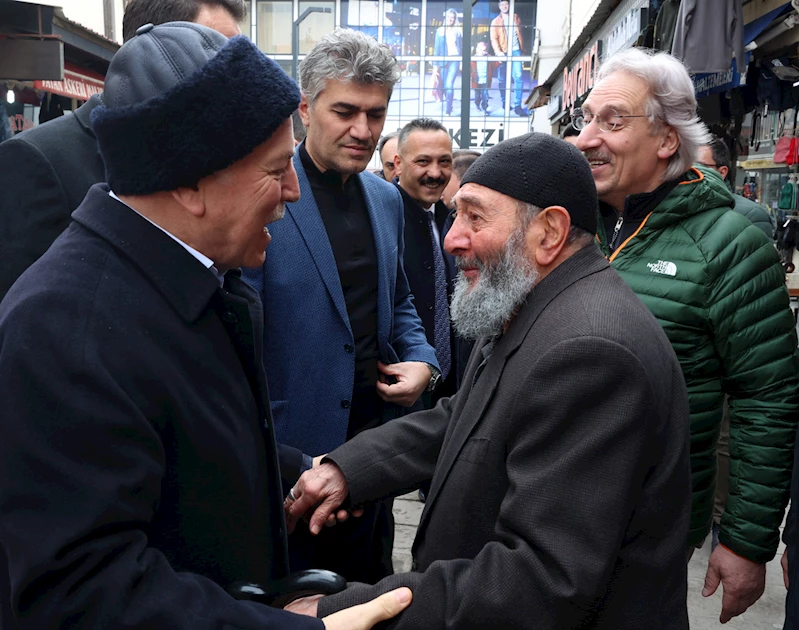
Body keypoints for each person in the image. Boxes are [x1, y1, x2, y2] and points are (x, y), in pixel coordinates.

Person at [0, 22, 412, 630]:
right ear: (190, 183)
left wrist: (305, 468)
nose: (294, 191)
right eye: (276, 171)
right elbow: (84, 593)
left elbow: (194, 438)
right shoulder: (64, 329)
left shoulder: (191, 277)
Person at [285, 132, 692, 629]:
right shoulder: (527, 299)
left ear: (549, 232)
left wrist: (347, 609)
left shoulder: (590, 352)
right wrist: (348, 470)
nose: (452, 238)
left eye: (474, 217)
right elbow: (465, 419)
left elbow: (540, 579)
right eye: (456, 215)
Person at [574, 47, 799, 624]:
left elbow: (766, 397)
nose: (586, 138)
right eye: (587, 119)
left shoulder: (730, 246)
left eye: (612, 121)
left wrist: (748, 541)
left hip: (649, 530)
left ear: (668, 140)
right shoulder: (567, 223)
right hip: (546, 507)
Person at [241, 29, 438, 585]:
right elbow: (239, 336)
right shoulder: (268, 190)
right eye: (346, 111)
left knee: (370, 595)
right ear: (305, 109)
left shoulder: (385, 199)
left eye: (376, 115)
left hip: (373, 460)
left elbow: (398, 301)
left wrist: (424, 361)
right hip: (287, 467)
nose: (364, 131)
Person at [0, 0, 247, 303]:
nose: (238, 75)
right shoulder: (35, 159)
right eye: (214, 52)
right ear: (154, 45)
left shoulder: (206, 153)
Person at [393, 118, 458, 403]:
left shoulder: (453, 220)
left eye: (444, 161)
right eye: (423, 161)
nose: (435, 172)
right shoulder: (380, 220)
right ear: (398, 164)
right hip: (401, 384)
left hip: (450, 387)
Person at [698, 135, 774, 238]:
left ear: (722, 172)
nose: (691, 171)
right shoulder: (676, 207)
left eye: (699, 166)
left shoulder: (752, 215)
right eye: (685, 165)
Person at [490, 0, 526, 116]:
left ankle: (517, 105)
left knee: (518, 77)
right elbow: (494, 39)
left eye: (506, 4)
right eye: (502, 5)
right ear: (499, 6)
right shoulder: (495, 21)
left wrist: (522, 49)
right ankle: (505, 103)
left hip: (516, 51)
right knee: (503, 79)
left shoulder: (516, 17)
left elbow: (520, 34)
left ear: (509, 5)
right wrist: (498, 52)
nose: (504, 7)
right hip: (503, 52)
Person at [433, 9, 462, 116]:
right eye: (449, 17)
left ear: (455, 19)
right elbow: (436, 48)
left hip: (455, 59)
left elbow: (461, 48)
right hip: (442, 61)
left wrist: (461, 61)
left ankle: (448, 109)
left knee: (449, 84)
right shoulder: (439, 31)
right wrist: (435, 65)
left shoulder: (458, 31)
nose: (451, 19)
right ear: (446, 18)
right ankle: (449, 103)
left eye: (453, 17)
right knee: (443, 86)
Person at [471, 41, 492, 114]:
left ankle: (484, 108)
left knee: (485, 95)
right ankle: (477, 105)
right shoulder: (473, 58)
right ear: (477, 49)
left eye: (484, 50)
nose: (482, 52)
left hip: (485, 80)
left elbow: (494, 64)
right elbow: (470, 68)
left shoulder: (488, 57)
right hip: (476, 80)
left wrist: (499, 61)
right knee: (477, 95)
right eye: (480, 50)